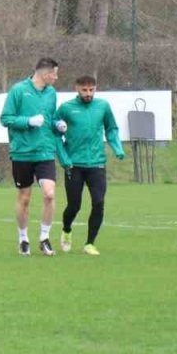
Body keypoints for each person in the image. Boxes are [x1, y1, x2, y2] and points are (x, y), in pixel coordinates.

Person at [0, 57, 66, 256]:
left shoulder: (51, 93)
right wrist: (28, 121)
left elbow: (50, 118)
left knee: (49, 194)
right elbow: (6, 118)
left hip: (45, 151)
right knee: (25, 198)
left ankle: (44, 238)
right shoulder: (18, 90)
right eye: (54, 74)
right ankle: (23, 239)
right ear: (45, 73)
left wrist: (57, 124)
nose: (56, 78)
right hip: (22, 152)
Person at [56, 75, 125, 255]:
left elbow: (111, 128)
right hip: (74, 165)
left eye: (91, 90)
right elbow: (54, 134)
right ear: (77, 89)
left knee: (99, 202)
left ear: (96, 89)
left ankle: (89, 244)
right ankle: (66, 229)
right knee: (74, 206)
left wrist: (117, 147)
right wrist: (64, 158)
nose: (88, 93)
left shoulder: (103, 106)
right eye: (84, 90)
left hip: (97, 163)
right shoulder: (66, 108)